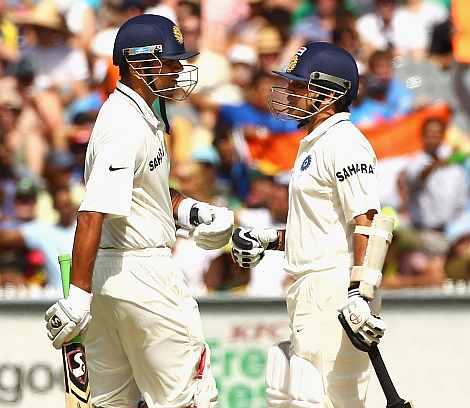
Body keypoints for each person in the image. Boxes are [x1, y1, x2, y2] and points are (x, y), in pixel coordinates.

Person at [44, 14, 234, 408]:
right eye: (171, 61)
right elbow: (92, 211)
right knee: (188, 399)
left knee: (111, 403)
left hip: (111, 281)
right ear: (140, 63)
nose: (180, 70)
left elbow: (147, 191)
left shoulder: (140, 116)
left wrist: (193, 213)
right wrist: (78, 297)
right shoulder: (123, 124)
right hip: (142, 275)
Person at [231, 42, 391, 408]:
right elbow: (321, 228)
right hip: (313, 285)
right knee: (302, 392)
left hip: (335, 288)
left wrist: (360, 293)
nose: (290, 91)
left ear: (329, 92)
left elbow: (366, 220)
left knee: (329, 397)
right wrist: (268, 239)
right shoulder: (314, 144)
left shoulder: (344, 142)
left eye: (300, 84)